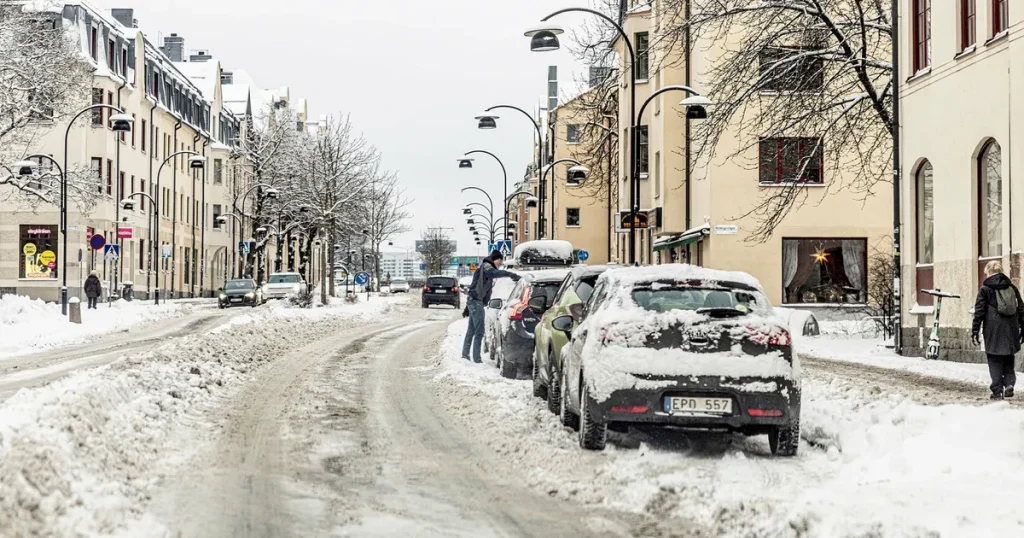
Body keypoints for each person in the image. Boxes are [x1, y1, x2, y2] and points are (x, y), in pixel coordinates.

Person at [971, 260, 1024, 400]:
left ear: (988, 272)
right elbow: (1021, 308)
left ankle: (997, 391)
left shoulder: (985, 289)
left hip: (993, 328)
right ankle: (1009, 384)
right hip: (1011, 328)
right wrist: (1023, 328)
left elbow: (979, 311)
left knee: (994, 359)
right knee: (1008, 357)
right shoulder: (1012, 287)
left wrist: (975, 330)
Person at [463, 250, 520, 363]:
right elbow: (492, 273)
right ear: (495, 259)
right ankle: (477, 359)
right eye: (500, 260)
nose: (501, 262)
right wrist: (509, 274)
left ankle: (465, 355)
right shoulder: (487, 266)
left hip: (474, 301)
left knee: (472, 330)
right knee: (479, 331)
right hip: (475, 301)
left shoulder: (486, 267)